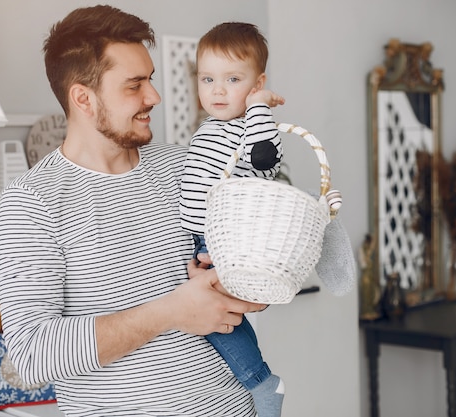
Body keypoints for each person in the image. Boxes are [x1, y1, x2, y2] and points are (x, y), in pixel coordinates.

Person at [0, 6, 267, 416]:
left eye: (150, 79)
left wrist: (242, 284)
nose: (153, 96)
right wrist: (172, 311)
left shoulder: (184, 167)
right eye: (134, 85)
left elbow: (255, 280)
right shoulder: (33, 202)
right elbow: (32, 355)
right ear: (83, 97)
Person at [179, 22, 285, 417]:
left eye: (233, 79)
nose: (217, 90)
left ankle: (261, 382)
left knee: (215, 319)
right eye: (208, 79)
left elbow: (265, 159)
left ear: (256, 83)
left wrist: (259, 104)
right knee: (211, 318)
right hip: (198, 239)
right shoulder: (210, 126)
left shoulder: (253, 126)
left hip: (226, 239)